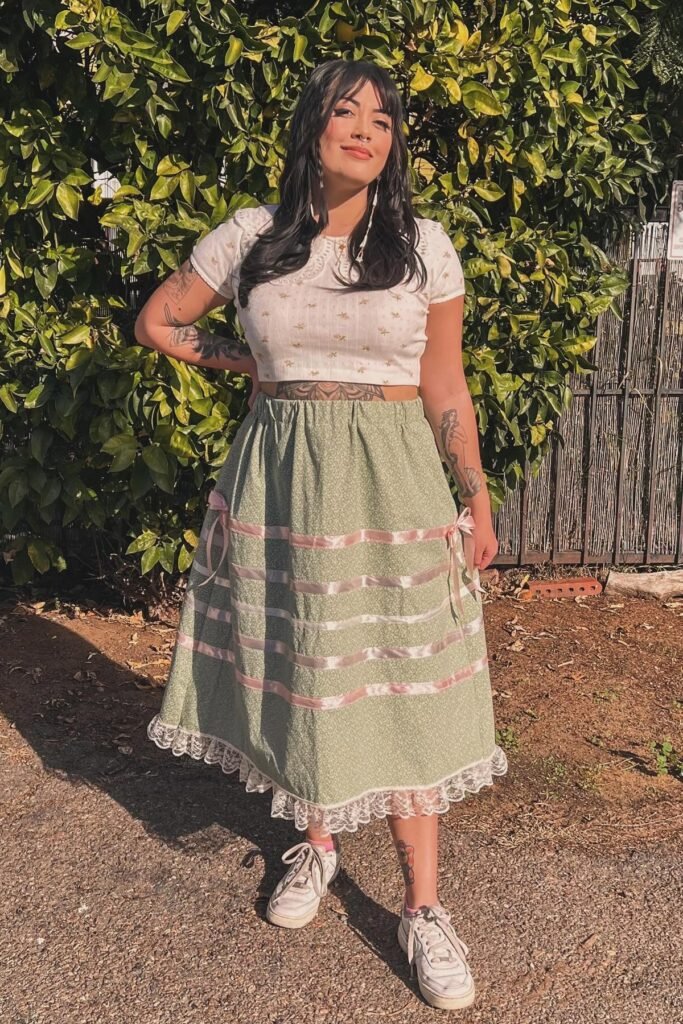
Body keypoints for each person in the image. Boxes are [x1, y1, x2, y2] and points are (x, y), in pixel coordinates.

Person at [135, 58, 508, 1012]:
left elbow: (444, 382)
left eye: (381, 121)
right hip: (281, 482)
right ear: (311, 127)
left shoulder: (422, 246)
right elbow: (159, 322)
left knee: (400, 678)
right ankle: (319, 842)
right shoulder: (251, 237)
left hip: (394, 483)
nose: (364, 131)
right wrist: (251, 363)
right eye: (346, 113)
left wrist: (474, 496)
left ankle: (422, 909)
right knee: (306, 666)